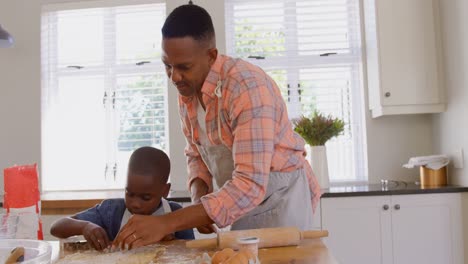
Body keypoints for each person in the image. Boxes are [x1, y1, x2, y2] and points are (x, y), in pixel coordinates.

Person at [112, 4, 321, 250]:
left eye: (183, 67)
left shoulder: (248, 88)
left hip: (279, 201)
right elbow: (196, 153)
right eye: (167, 65)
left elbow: (250, 184)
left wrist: (166, 223)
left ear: (211, 56)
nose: (174, 77)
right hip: (242, 203)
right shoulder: (188, 89)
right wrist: (200, 198)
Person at [50, 146, 195, 250]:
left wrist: (171, 243)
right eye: (129, 193)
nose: (135, 204)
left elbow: (190, 252)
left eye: (145, 197)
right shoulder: (111, 212)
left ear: (165, 191)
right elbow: (56, 227)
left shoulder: (176, 215)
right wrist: (84, 227)